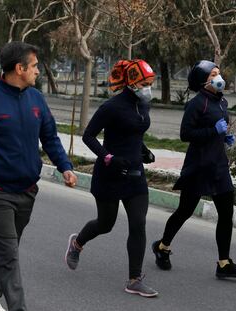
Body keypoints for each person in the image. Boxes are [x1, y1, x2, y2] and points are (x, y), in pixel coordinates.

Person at [0, 41, 77, 311]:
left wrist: (65, 165)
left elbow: (50, 137)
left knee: (7, 250)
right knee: (9, 254)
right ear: (19, 68)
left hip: (27, 191)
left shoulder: (36, 99)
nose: (38, 72)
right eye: (34, 67)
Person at [65, 59, 158, 297]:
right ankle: (77, 243)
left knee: (138, 223)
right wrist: (108, 157)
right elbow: (88, 136)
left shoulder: (143, 105)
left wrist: (144, 150)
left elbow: (133, 132)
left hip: (135, 175)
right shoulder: (112, 107)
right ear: (133, 83)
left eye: (151, 83)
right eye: (145, 83)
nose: (149, 88)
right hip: (109, 174)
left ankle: (134, 279)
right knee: (105, 224)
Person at [152, 60, 236, 278]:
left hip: (218, 165)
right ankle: (162, 247)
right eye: (213, 74)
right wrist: (213, 131)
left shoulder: (222, 103)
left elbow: (218, 129)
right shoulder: (196, 104)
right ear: (203, 81)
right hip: (199, 166)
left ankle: (223, 263)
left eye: (218, 73)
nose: (218, 77)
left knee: (226, 214)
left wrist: (224, 136)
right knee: (185, 211)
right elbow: (185, 134)